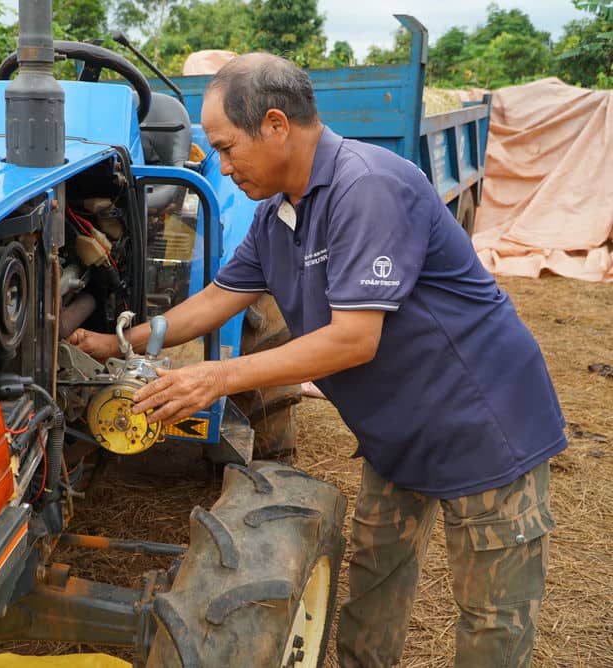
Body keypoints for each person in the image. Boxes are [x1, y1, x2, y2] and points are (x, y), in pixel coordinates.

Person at [69, 53, 567, 667]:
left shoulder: (367, 187)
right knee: (375, 581)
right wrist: (120, 342)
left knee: (491, 617)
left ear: (276, 125)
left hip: (481, 419)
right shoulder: (276, 215)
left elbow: (353, 339)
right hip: (398, 426)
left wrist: (216, 376)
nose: (222, 165)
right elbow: (221, 297)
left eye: (226, 148)